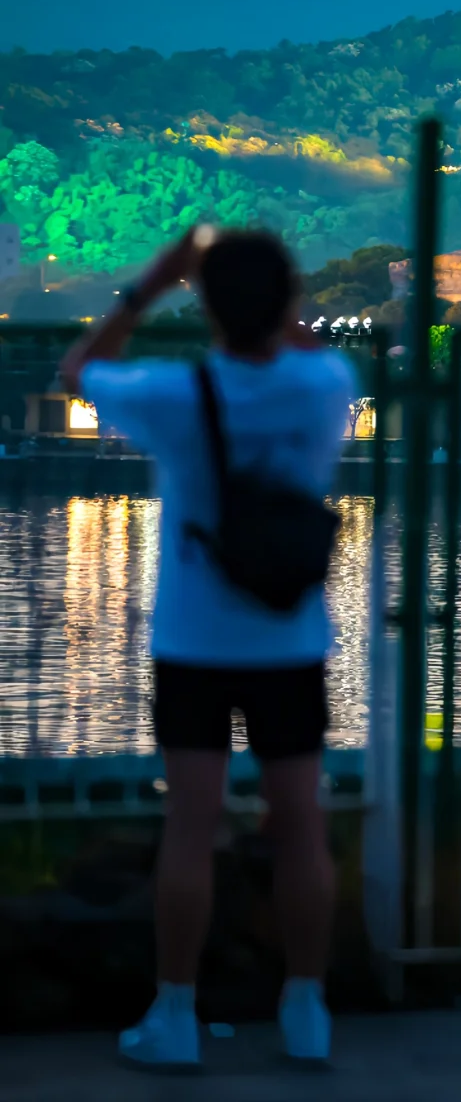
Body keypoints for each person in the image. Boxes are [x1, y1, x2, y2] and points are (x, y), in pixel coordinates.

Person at [62, 227, 353, 1071]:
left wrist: (147, 287)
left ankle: (176, 1016)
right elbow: (294, 339)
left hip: (193, 641)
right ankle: (306, 1010)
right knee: (301, 827)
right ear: (289, 303)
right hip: (291, 642)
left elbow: (78, 371)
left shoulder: (173, 394)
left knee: (191, 827)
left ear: (205, 305)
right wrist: (282, 300)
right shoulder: (325, 382)